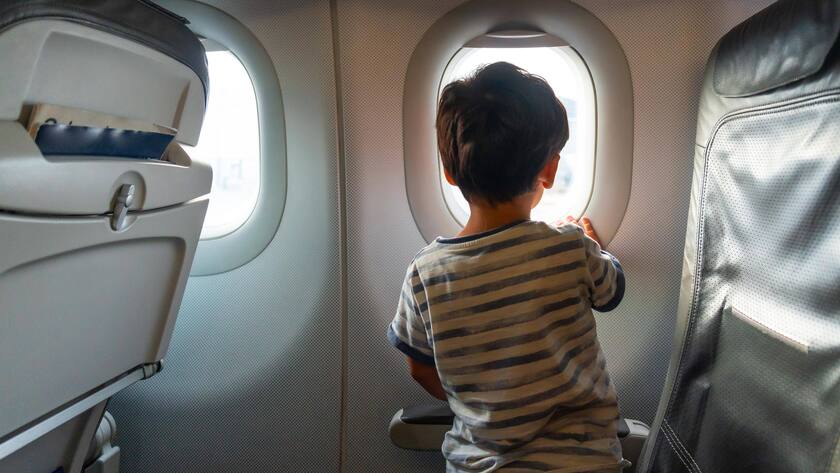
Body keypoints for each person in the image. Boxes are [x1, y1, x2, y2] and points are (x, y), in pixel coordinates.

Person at [387, 62, 626, 472]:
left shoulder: (425, 274)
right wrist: (589, 243)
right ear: (548, 170)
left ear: (448, 171)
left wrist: (475, 402)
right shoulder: (568, 247)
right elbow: (611, 290)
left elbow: (419, 367)